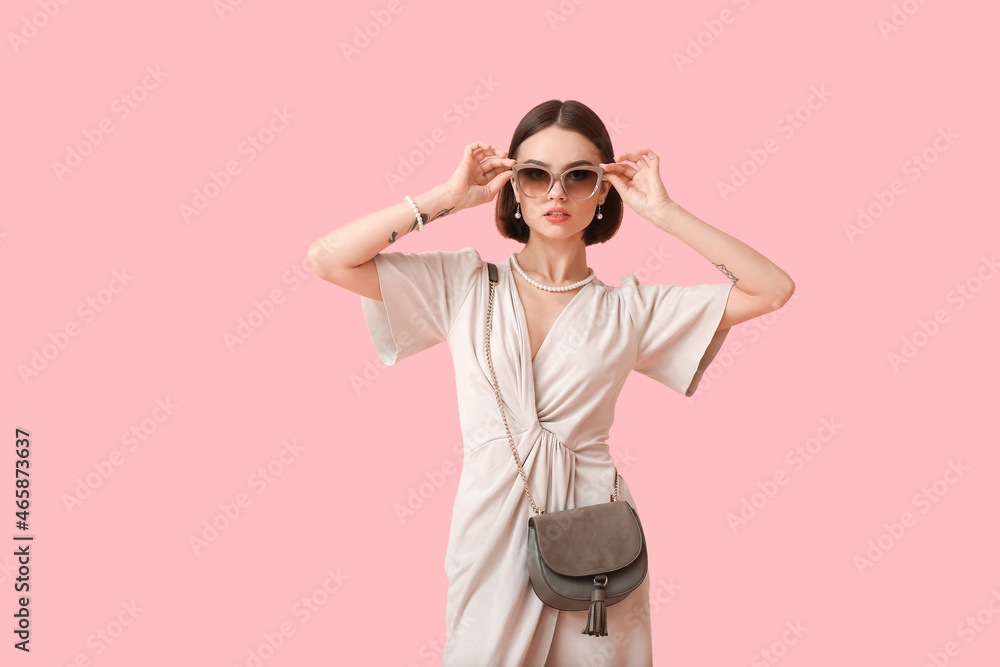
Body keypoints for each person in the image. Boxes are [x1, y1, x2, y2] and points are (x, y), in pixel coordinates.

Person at [308, 99, 794, 665]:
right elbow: (328, 259)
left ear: (604, 188)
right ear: (514, 185)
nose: (556, 194)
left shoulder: (629, 310)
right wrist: (445, 199)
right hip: (490, 527)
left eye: (579, 176)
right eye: (535, 174)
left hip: (596, 541)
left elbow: (771, 289)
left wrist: (663, 213)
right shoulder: (465, 285)